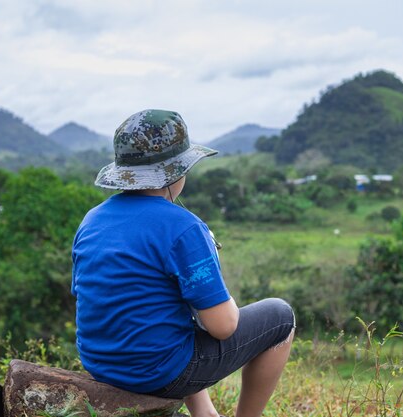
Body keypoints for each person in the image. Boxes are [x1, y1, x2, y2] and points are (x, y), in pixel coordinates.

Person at [71, 109, 295, 417]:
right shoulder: (183, 227)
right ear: (177, 172)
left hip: (102, 364)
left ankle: (204, 412)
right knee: (281, 317)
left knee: (167, 306)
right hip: (159, 374)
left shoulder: (91, 220)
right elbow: (223, 327)